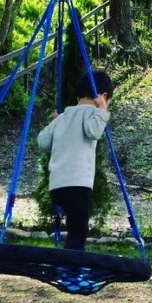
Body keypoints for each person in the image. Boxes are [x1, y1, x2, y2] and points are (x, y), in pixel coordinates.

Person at [36, 69, 113, 251]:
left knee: (74, 223)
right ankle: (72, 265)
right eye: (107, 101)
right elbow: (94, 131)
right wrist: (102, 110)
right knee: (79, 228)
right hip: (78, 183)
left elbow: (43, 142)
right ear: (102, 96)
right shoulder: (92, 114)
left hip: (57, 186)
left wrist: (55, 122)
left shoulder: (63, 117)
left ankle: (69, 259)